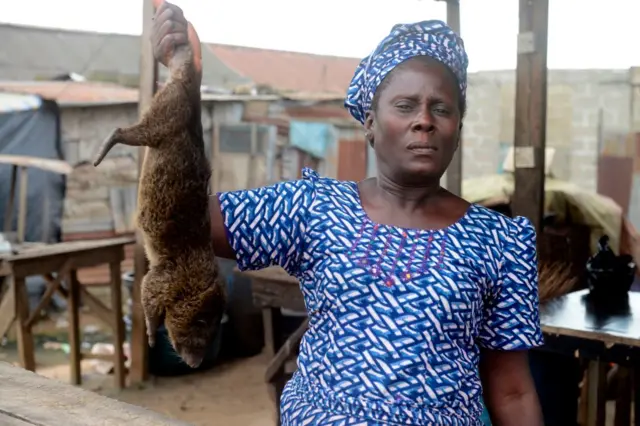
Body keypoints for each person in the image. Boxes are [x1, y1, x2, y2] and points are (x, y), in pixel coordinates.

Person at [151, 3, 545, 425]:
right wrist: (182, 86)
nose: (424, 121)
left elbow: (513, 390)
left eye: (442, 109)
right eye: (406, 105)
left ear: (458, 130)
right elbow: (178, 219)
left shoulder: (499, 242)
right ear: (370, 124)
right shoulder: (315, 208)